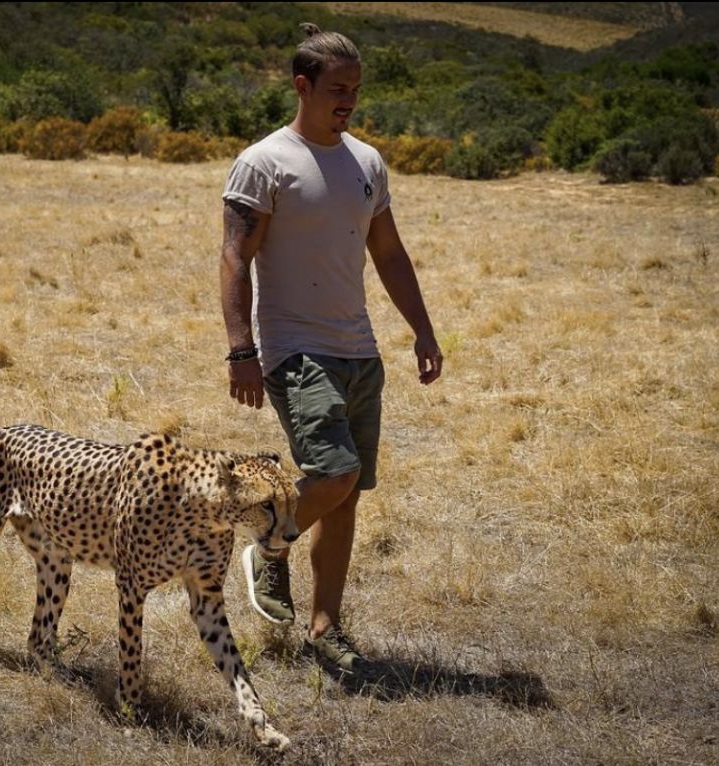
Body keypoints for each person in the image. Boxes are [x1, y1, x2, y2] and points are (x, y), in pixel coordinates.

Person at [219, 23, 443, 674]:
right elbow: (235, 258)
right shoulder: (264, 163)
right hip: (295, 347)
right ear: (302, 86)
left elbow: (391, 255)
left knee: (346, 496)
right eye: (337, 89)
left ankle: (325, 626)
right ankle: (268, 542)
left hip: (359, 350)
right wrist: (242, 349)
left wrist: (423, 331)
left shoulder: (367, 163)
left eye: (356, 90)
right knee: (335, 473)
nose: (349, 100)